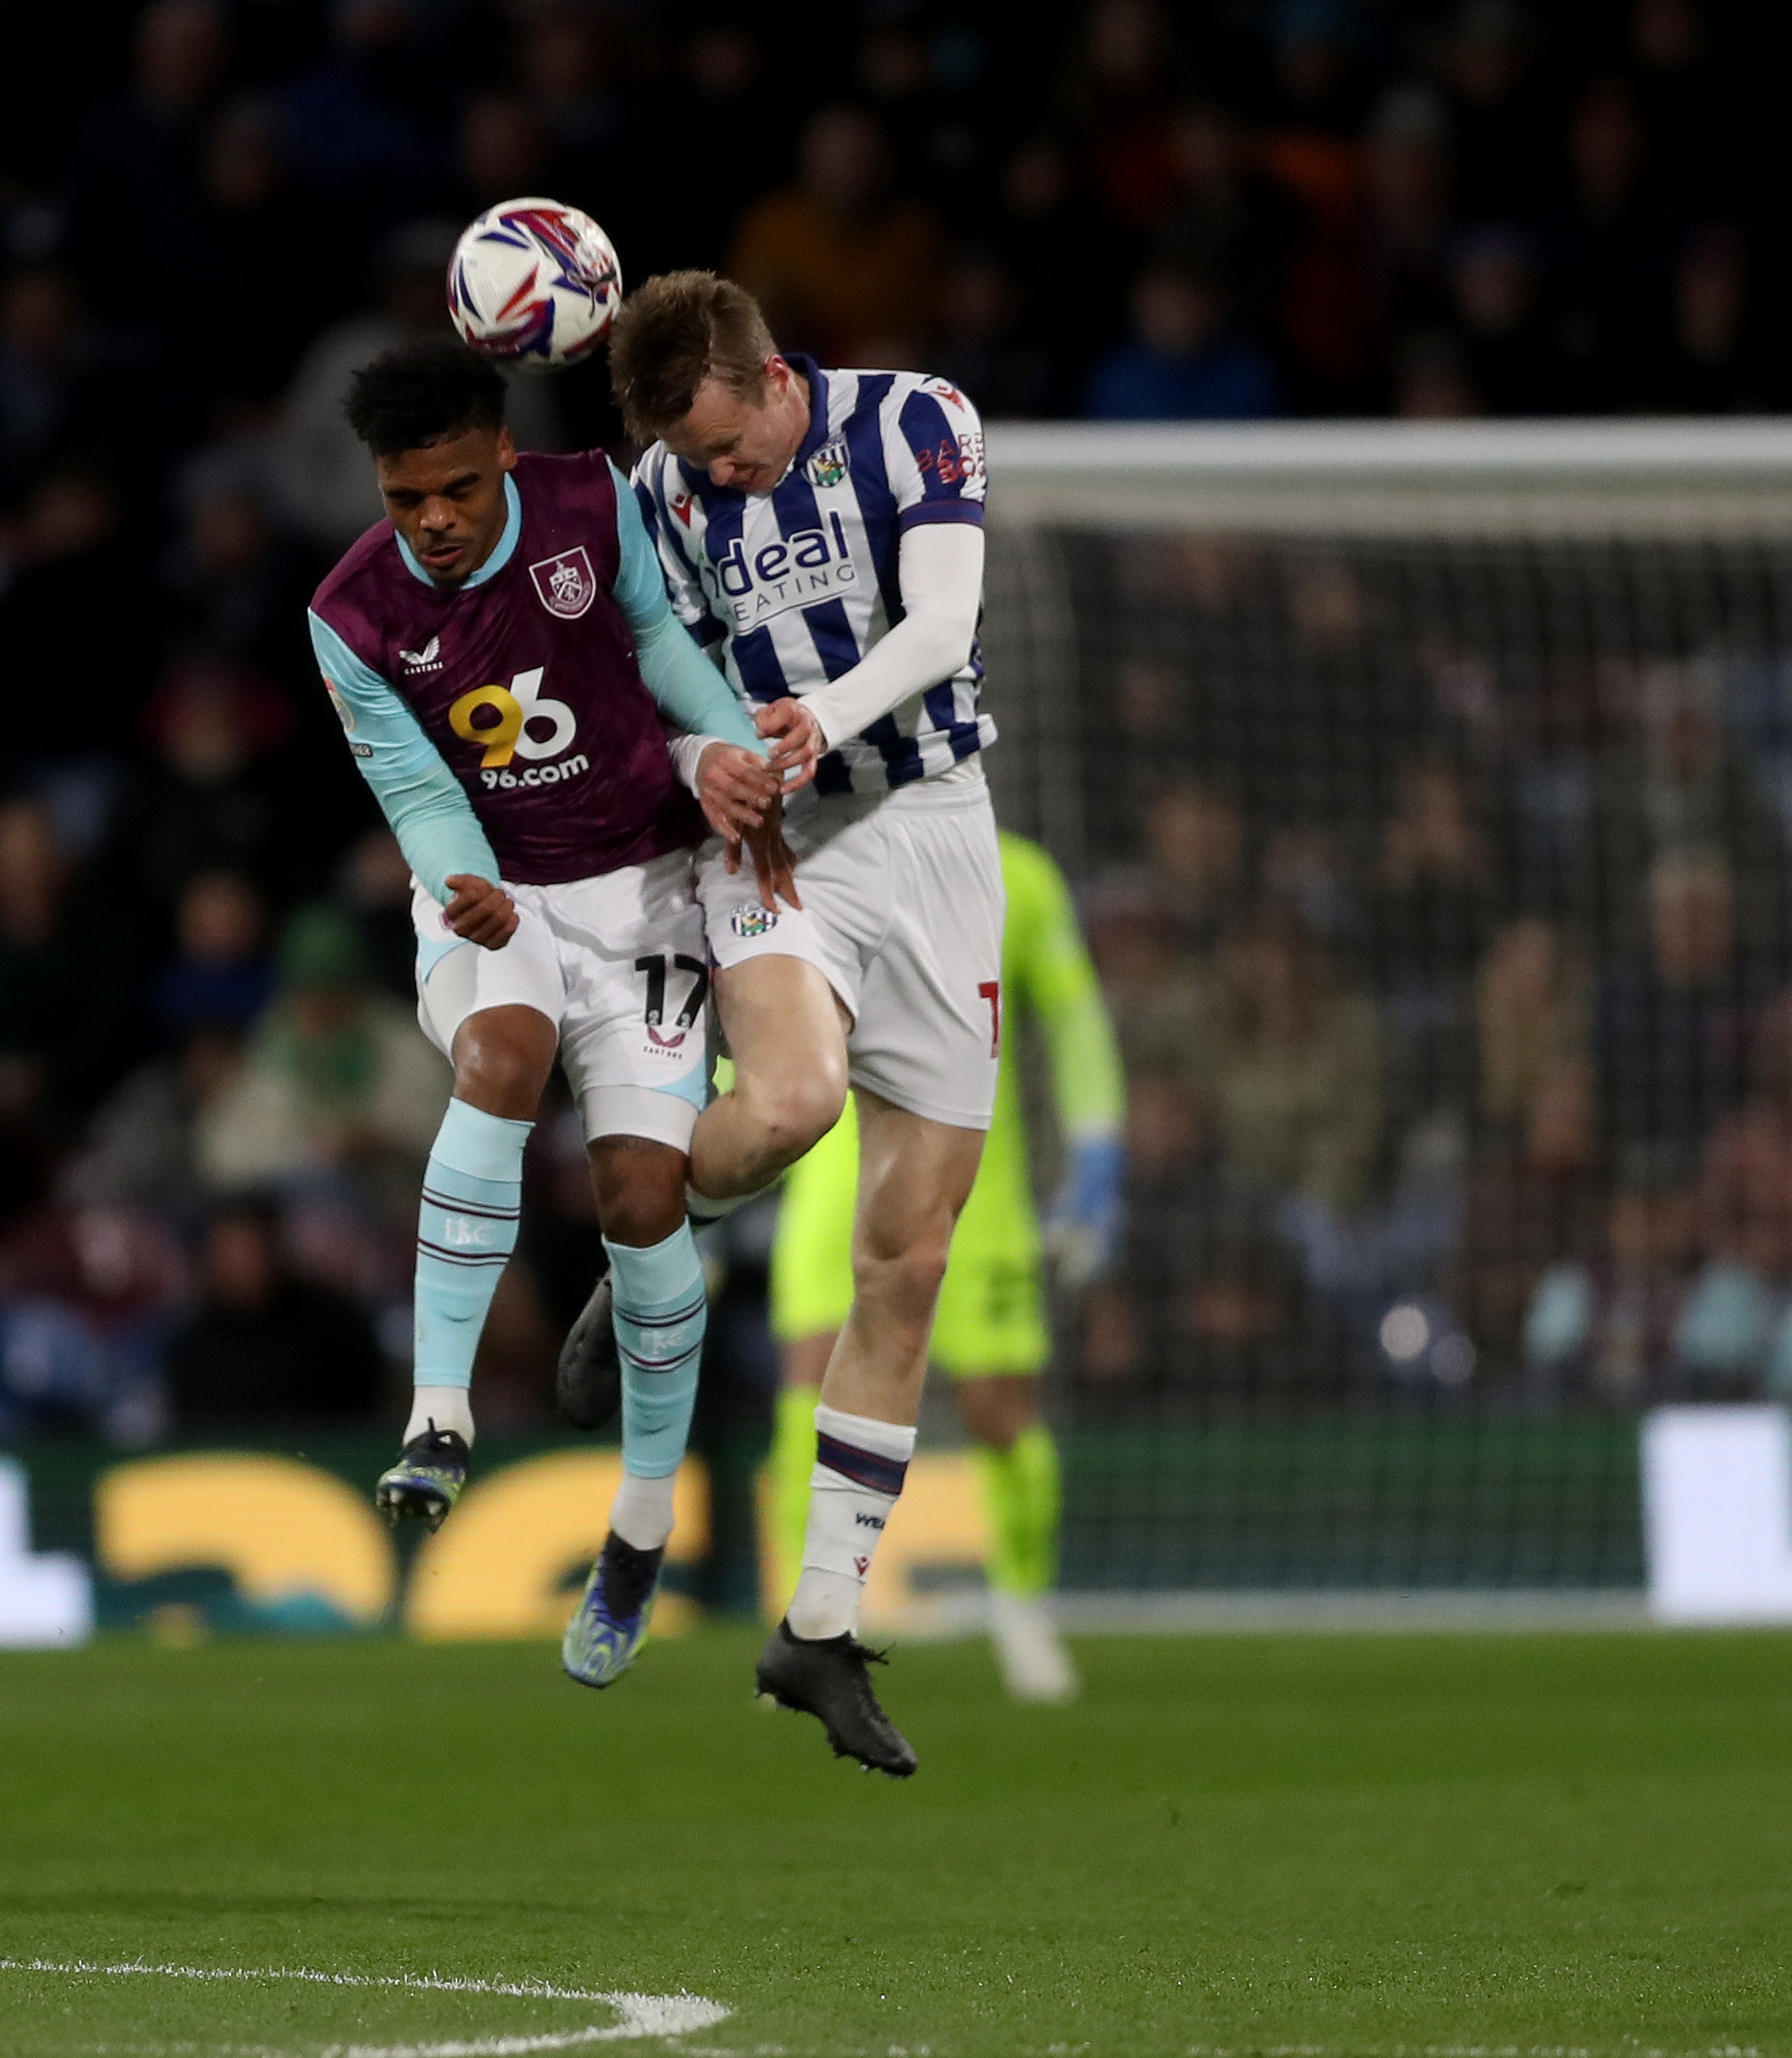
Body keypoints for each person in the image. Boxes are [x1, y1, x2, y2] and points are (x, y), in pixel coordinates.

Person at [304, 341, 786, 1689]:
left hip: (647, 889)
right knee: (502, 1054)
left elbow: (659, 646)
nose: (436, 521)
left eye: (456, 488)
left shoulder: (588, 506)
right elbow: (413, 786)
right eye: (407, 500)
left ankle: (636, 1532)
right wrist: (468, 883)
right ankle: (439, 1416)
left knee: (641, 1198)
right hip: (492, 892)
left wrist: (734, 740)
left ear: (500, 454)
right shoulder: (347, 617)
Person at [605, 270, 1006, 1775]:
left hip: (937, 827)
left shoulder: (915, 423)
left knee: (907, 1258)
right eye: (697, 461)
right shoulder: (657, 490)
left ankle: (818, 1629)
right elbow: (644, 671)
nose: (720, 477)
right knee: (787, 1105)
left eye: (731, 447)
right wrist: (707, 752)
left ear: (771, 376)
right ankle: (645, 1220)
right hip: (780, 842)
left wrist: (812, 716)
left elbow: (945, 623)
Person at [762, 830, 1121, 1703]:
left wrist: (1097, 1153)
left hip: (975, 1188)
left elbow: (1073, 1019)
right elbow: (757, 1005)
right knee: (808, 1390)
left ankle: (1023, 1607)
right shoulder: (802, 854)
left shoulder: (1024, 875)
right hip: (833, 1174)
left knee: (1000, 1411)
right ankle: (808, 1621)